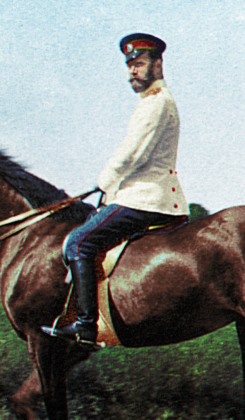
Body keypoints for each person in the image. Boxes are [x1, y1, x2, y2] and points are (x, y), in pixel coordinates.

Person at [42, 33, 188, 345]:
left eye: (140, 64)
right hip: (143, 195)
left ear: (158, 64)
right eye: (130, 65)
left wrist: (103, 182)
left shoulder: (156, 104)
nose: (133, 71)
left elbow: (133, 155)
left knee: (77, 243)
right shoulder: (153, 103)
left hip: (146, 198)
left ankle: (85, 326)